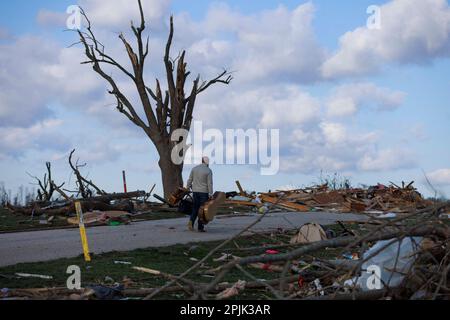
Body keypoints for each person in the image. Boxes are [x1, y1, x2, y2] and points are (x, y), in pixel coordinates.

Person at [186, 156, 213, 232]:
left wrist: (187, 187)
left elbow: (190, 179)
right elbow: (209, 183)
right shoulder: (208, 170)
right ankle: (200, 227)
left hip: (195, 192)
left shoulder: (194, 169)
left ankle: (191, 222)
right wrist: (211, 193)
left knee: (195, 208)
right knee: (202, 210)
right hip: (204, 192)